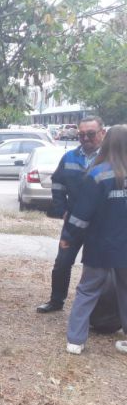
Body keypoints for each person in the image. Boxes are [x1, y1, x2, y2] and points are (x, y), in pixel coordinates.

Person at [62, 124, 127, 354]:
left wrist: (69, 237)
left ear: (106, 141)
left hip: (100, 245)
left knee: (87, 291)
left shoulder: (98, 174)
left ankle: (76, 341)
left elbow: (81, 215)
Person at [37, 116, 106, 313]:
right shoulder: (69, 157)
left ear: (103, 133)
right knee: (62, 263)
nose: (85, 138)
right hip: (73, 223)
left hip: (100, 225)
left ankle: (98, 310)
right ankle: (56, 301)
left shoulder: (111, 160)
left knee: (97, 268)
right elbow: (57, 183)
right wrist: (61, 209)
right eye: (81, 134)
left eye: (90, 134)